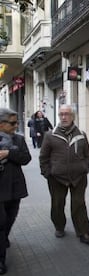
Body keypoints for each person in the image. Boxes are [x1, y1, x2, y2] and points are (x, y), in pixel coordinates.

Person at [39, 104, 89, 245]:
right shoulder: (50, 135)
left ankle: (84, 232)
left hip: (79, 177)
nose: (63, 117)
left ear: (72, 116)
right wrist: (48, 173)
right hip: (57, 178)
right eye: (61, 114)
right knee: (57, 204)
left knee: (79, 204)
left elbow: (87, 154)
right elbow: (43, 157)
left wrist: (85, 167)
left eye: (67, 114)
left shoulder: (81, 134)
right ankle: (59, 226)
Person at [0, 108, 31, 275]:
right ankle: (1, 259)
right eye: (12, 123)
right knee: (0, 223)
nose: (15, 126)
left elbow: (26, 158)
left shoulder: (18, 139)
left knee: (10, 218)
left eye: (16, 122)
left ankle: (4, 238)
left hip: (15, 187)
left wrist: (8, 153)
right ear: (1, 124)